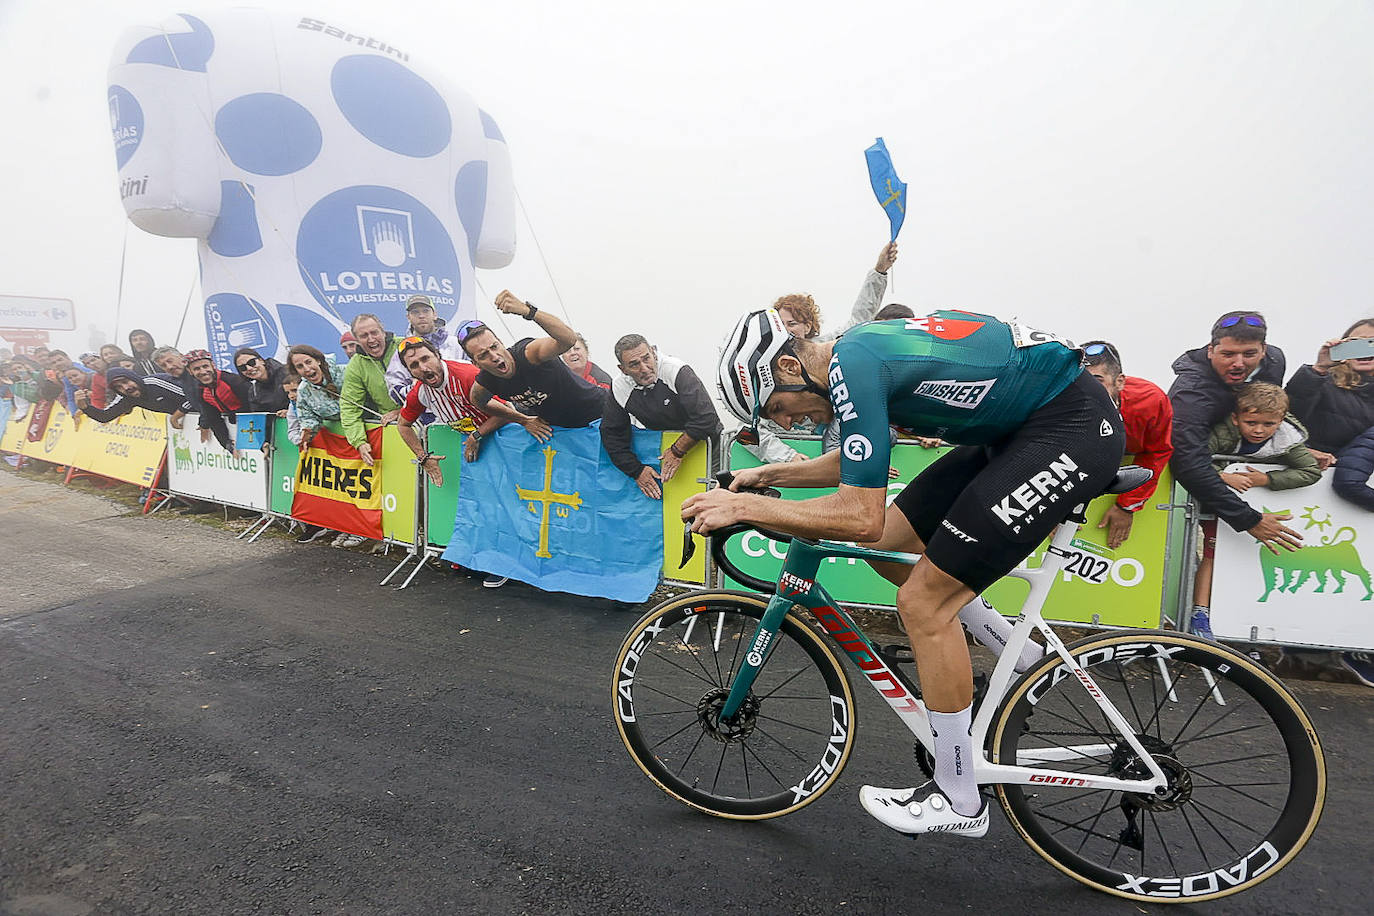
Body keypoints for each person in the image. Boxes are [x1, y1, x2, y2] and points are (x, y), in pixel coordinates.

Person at [687, 308, 1123, 837]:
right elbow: (857, 465)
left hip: (1067, 427)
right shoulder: (856, 360)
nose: (784, 422)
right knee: (891, 541)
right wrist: (766, 474)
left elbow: (859, 513)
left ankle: (960, 797)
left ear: (788, 366)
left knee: (923, 603)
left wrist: (743, 509)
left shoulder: (856, 366)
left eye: (777, 406)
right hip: (1022, 430)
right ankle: (1019, 656)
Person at [1168, 312, 1301, 638]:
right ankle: (1197, 620)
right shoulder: (1191, 392)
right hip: (1205, 468)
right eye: (1228, 354)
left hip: (1240, 462)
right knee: (1210, 549)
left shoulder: (1275, 361)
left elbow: (1272, 408)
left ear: (1264, 350)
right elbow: (1187, 464)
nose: (1239, 363)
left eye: (1249, 354)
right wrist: (1249, 518)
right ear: (1211, 350)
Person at [393, 336, 550, 587]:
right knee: (485, 507)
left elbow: (507, 409)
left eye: (425, 359)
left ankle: (514, 563)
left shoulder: (465, 376)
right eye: (414, 365)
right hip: (478, 449)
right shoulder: (420, 392)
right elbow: (403, 425)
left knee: (514, 504)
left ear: (437, 356)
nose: (422, 367)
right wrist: (423, 457)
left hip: (505, 440)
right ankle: (486, 559)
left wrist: (477, 435)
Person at [746, 241, 901, 464]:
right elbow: (749, 428)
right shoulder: (766, 369)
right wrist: (787, 457)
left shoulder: (826, 349)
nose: (786, 331)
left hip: (832, 449)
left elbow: (859, 319)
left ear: (808, 326)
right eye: (780, 324)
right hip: (797, 457)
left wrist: (879, 271)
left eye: (792, 324)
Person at [1189, 383, 1321, 640]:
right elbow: (1193, 460)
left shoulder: (1288, 440)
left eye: (1268, 424)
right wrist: (1223, 476)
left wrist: (1267, 480)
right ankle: (1200, 613)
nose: (1259, 430)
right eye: (1251, 422)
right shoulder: (1221, 433)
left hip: (1262, 514)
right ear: (1236, 419)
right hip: (1221, 509)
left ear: (1280, 421)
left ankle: (1248, 620)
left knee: (1251, 563)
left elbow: (1311, 471)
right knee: (1212, 555)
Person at [600, 334, 722, 499]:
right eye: (634, 364)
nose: (644, 368)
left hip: (708, 446)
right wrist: (636, 470)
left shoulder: (676, 370)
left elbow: (706, 418)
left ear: (654, 352)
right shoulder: (619, 387)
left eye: (646, 358)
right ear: (623, 369)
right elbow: (611, 435)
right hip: (669, 453)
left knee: (712, 500)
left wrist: (677, 450)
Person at [462, 291, 606, 428]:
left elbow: (568, 339)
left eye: (494, 347)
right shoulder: (486, 381)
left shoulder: (528, 354)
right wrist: (522, 420)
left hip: (599, 412)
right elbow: (478, 402)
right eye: (483, 355)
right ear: (476, 364)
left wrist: (529, 312)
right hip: (564, 428)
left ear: (500, 342)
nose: (494, 357)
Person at [1080, 340, 1173, 548]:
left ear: (1120, 381)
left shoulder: (1151, 401)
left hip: (1129, 451)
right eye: (1079, 381)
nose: (1086, 390)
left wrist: (1127, 505)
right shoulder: (1059, 398)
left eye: (1097, 381)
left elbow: (1157, 452)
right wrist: (1050, 511)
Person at [1285, 318, 1374, 470]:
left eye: (1371, 343)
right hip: (1317, 475)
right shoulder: (1323, 381)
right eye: (1355, 342)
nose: (1363, 349)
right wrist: (1319, 368)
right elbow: (1286, 415)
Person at [339, 314, 403, 467]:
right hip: (395, 433)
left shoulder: (404, 345)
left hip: (428, 422)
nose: (371, 339)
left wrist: (403, 412)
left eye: (374, 333)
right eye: (364, 335)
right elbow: (349, 407)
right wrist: (359, 442)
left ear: (383, 331)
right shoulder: (356, 365)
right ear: (357, 340)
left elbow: (429, 384)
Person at [184, 349, 253, 452]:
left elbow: (254, 405)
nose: (203, 372)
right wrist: (226, 443)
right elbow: (213, 418)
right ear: (190, 372)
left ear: (213, 365)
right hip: (238, 428)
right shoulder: (200, 390)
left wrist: (234, 416)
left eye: (205, 366)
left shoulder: (233, 381)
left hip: (252, 426)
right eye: (197, 369)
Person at [75, 367, 191, 424]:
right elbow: (105, 417)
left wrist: (176, 416)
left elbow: (194, 398)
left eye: (126, 382)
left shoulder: (155, 383)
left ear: (134, 378)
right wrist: (84, 406)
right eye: (119, 387)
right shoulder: (126, 397)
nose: (126, 388)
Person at [287, 344, 348, 444]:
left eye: (308, 362)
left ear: (318, 360)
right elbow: (308, 418)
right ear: (296, 371)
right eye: (300, 366)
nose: (306, 368)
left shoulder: (345, 372)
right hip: (340, 440)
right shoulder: (303, 391)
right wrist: (306, 434)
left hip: (372, 431)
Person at [232, 347, 290, 414]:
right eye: (242, 367)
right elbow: (259, 417)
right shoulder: (253, 392)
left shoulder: (287, 373)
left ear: (261, 360)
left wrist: (290, 412)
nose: (249, 368)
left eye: (251, 362)